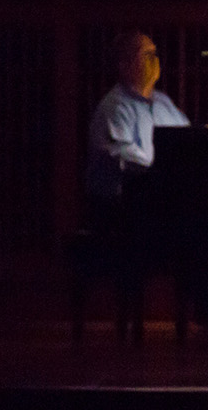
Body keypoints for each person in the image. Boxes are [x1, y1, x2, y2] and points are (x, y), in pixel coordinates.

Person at [82, 30, 192, 343]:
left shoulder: (164, 104)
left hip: (155, 204)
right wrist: (166, 170)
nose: (154, 61)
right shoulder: (114, 107)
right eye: (146, 54)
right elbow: (126, 157)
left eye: (156, 53)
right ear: (124, 64)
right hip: (117, 212)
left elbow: (186, 142)